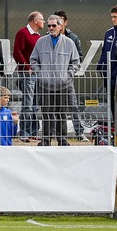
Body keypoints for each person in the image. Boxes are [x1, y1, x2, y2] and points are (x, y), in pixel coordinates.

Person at [31, 11, 80, 145]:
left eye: (54, 25)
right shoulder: (41, 42)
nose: (51, 28)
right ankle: (46, 140)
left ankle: (62, 139)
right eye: (49, 26)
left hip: (63, 85)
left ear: (60, 26)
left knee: (61, 114)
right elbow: (33, 59)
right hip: (45, 85)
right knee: (46, 113)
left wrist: (67, 75)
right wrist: (40, 74)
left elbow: (76, 62)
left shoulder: (69, 43)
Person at [12, 11, 43, 140]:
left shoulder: (38, 35)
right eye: (42, 19)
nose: (44, 22)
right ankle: (24, 132)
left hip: (37, 73)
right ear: (35, 21)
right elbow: (17, 52)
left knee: (35, 104)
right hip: (28, 74)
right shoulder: (23, 33)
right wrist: (27, 67)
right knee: (28, 104)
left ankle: (34, 132)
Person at [99, 5, 117, 100]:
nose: (112, 19)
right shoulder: (109, 32)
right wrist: (100, 66)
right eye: (111, 17)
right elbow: (104, 51)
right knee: (111, 102)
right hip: (108, 73)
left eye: (115, 17)